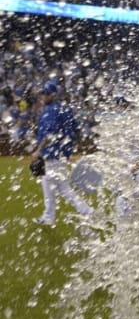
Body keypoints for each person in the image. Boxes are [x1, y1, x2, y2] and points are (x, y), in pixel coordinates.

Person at [32, 82, 93, 226]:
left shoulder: (51, 110)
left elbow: (49, 134)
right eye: (43, 93)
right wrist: (68, 149)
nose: (43, 96)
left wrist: (38, 150)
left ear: (53, 94)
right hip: (60, 155)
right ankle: (87, 211)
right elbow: (76, 130)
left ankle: (49, 217)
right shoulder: (63, 108)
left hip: (52, 155)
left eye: (46, 93)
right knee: (63, 189)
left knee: (48, 186)